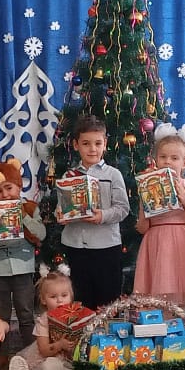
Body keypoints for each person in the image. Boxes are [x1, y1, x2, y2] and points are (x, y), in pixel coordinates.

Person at [59, 115, 130, 310]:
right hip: (76, 247)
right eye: (86, 143)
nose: (92, 149)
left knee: (108, 301)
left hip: (106, 247)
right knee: (81, 301)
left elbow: (123, 208)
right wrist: (62, 215)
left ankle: (106, 330)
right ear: (76, 145)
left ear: (105, 144)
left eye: (98, 143)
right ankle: (84, 330)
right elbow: (63, 207)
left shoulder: (113, 174)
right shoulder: (68, 176)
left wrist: (102, 216)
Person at [0, 158, 46, 352]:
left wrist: (22, 215)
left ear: (19, 186)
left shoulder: (30, 207)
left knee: (26, 315)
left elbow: (41, 234)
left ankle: (30, 356)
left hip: (23, 268)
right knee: (0, 318)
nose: (5, 194)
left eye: (9, 188)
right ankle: (2, 359)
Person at [133, 122, 185, 306]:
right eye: (163, 157)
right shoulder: (149, 185)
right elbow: (142, 228)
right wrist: (144, 203)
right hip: (157, 242)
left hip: (184, 244)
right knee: (160, 296)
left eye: (174, 158)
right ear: (156, 160)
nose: (167, 161)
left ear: (184, 163)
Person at [9, 265, 78, 370]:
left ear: (71, 296)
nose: (60, 300)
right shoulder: (44, 320)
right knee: (47, 367)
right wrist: (60, 345)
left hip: (72, 359)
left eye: (64, 295)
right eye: (53, 297)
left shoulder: (76, 315)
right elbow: (44, 350)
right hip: (47, 357)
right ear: (44, 300)